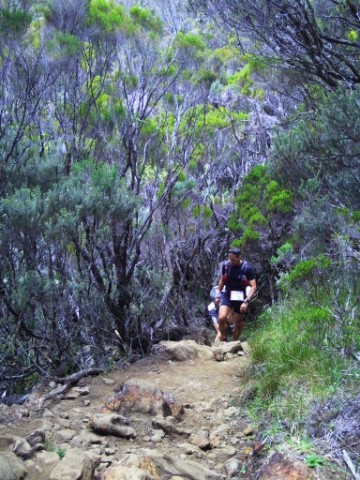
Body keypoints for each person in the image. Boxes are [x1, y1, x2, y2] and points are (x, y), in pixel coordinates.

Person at [214, 247, 257, 342]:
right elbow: (222, 280)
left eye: (233, 259)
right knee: (221, 317)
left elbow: (254, 287)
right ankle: (222, 336)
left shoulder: (246, 268)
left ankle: (234, 342)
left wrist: (246, 302)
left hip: (240, 296)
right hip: (228, 293)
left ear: (239, 257)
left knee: (238, 323)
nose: (231, 261)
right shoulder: (226, 266)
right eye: (229, 259)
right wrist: (218, 294)